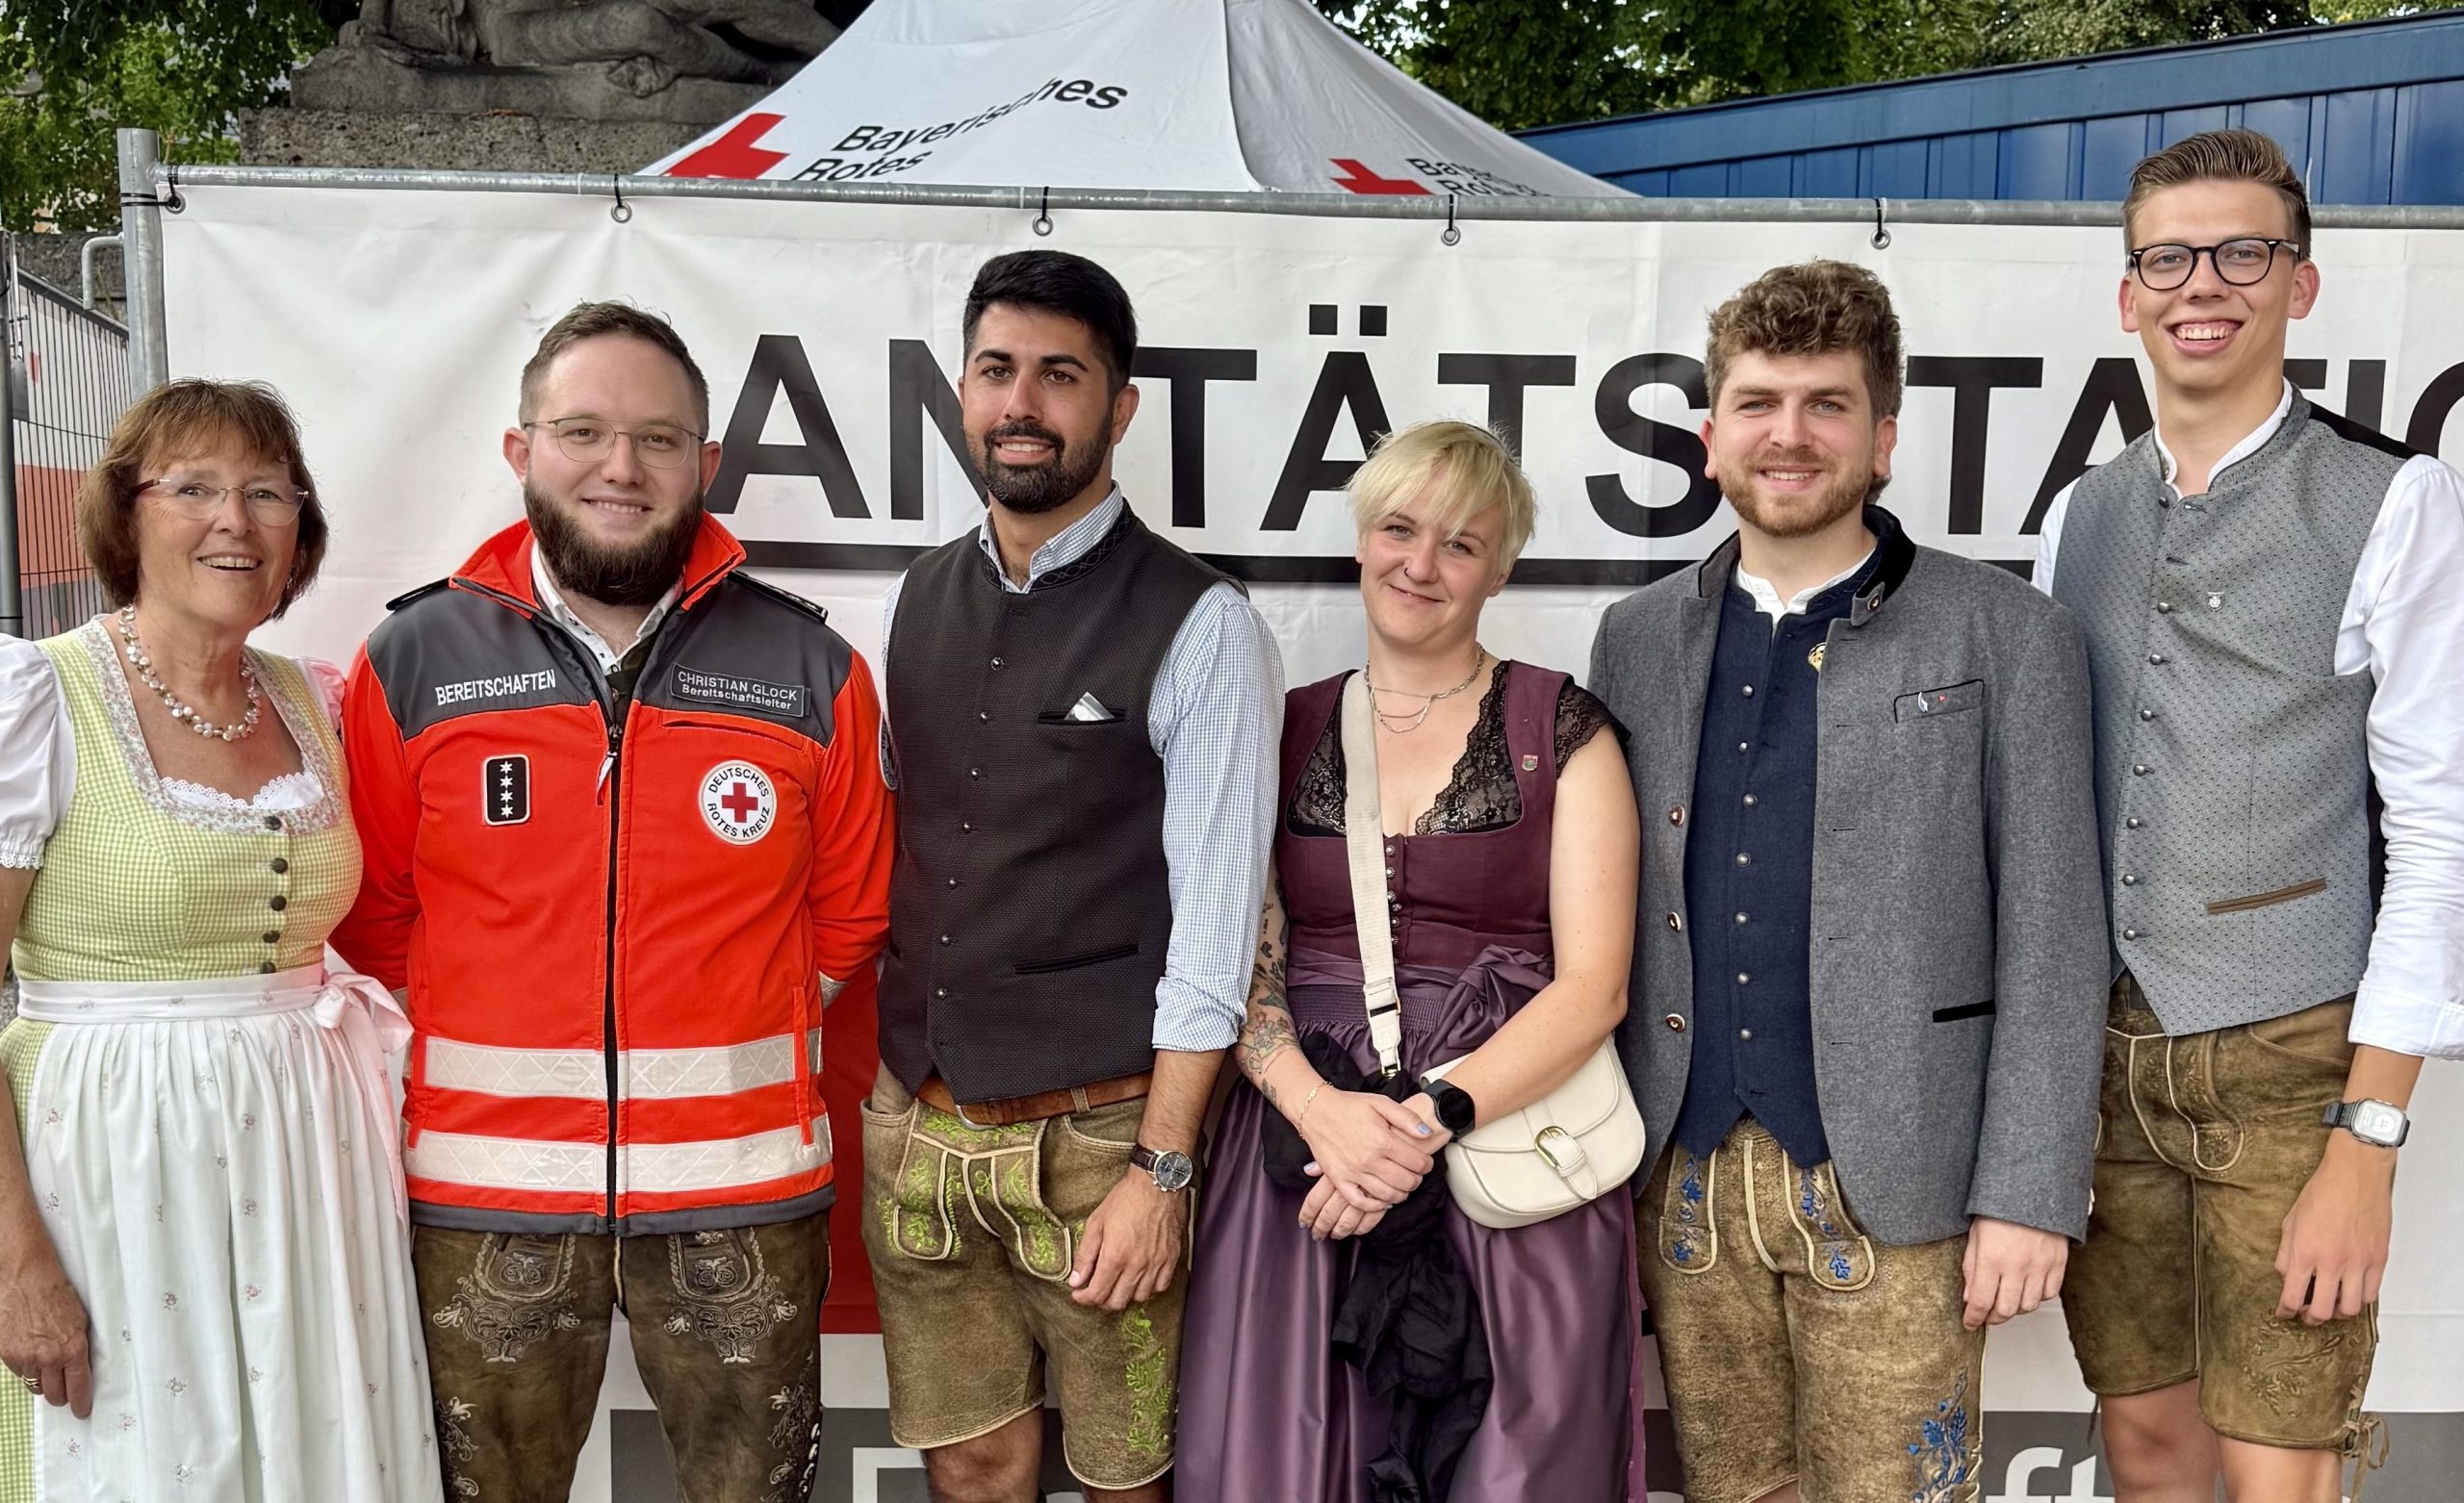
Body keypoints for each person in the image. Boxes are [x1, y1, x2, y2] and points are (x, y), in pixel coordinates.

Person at [328, 301, 895, 1503]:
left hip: (741, 1194)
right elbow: (371, 914)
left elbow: (850, 913)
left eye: (659, 438)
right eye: (582, 429)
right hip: (486, 1197)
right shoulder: (415, 660)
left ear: (708, 463)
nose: (621, 467)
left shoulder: (813, 670)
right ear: (520, 448)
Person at [1588, 260, 2109, 1503]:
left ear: (1882, 437)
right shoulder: (1637, 635)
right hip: (1688, 1178)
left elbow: (2054, 932)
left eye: (1826, 404)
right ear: (1710, 438)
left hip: (1904, 1174)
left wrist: (2033, 1190)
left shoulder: (2009, 635)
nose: (1789, 433)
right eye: (1759, 402)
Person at [2040, 128, 2464, 1503]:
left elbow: (2443, 828)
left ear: (2301, 282)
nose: (2201, 283)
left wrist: (2372, 1140)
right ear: (2128, 291)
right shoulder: (2080, 515)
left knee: (2281, 1474)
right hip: (2107, 1063)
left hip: (2292, 1061)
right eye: (2168, 255)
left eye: (2242, 251)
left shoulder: (2394, 498)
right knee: (2152, 1455)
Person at [862, 248, 1283, 1503]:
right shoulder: (916, 595)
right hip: (924, 1125)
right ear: (960, 389)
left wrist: (1164, 1170)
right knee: (973, 1461)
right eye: (997, 369)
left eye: (1060, 374)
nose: (1022, 402)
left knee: (1123, 1479)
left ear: (1120, 407)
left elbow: (1215, 929)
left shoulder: (1203, 622)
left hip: (1106, 1139)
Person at [1179, 419, 1645, 1501]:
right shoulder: (1281, 725)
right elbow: (1239, 960)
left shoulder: (1563, 728)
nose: (1420, 564)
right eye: (1398, 528)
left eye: (1460, 544)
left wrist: (1425, 1121)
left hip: (1509, 1153)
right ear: (1359, 536)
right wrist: (1327, 1118)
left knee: (1516, 1468)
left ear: (1501, 567)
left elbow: (1595, 986)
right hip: (1305, 1161)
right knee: (1285, 1464)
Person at [0, 380, 438, 1500]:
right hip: (112, 1160)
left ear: (300, 531)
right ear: (125, 513)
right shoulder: (37, 695)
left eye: (266, 492)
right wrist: (15, 1262)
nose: (233, 520)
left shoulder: (312, 697)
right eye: (192, 486)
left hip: (310, 1153)